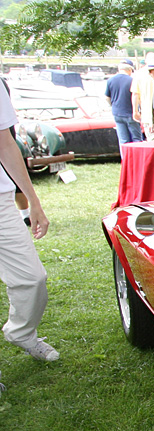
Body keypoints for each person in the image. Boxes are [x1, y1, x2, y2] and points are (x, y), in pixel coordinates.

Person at [0, 81, 56, 361]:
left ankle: (21, 332)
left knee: (32, 279)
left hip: (1, 201)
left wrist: (33, 202)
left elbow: (5, 143)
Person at [105, 59, 143, 151]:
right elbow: (137, 96)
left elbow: (107, 97)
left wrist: (113, 105)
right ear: (130, 70)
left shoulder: (110, 80)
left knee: (123, 141)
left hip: (117, 113)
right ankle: (137, 161)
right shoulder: (132, 80)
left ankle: (125, 161)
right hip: (131, 113)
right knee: (136, 140)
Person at [132, 52, 154, 140]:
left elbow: (135, 94)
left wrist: (135, 111)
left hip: (147, 114)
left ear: (146, 61)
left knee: (152, 139)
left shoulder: (139, 74)